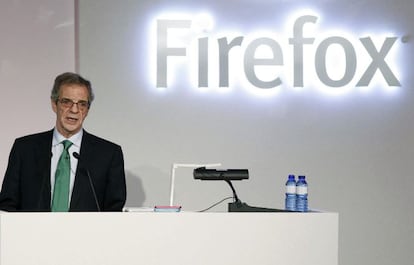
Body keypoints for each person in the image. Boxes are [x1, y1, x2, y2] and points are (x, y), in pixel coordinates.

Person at [0, 72, 126, 211]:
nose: (74, 110)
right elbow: (8, 204)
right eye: (67, 102)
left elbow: (114, 211)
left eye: (82, 104)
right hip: (34, 232)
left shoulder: (108, 154)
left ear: (87, 110)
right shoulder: (25, 149)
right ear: (54, 104)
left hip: (87, 233)